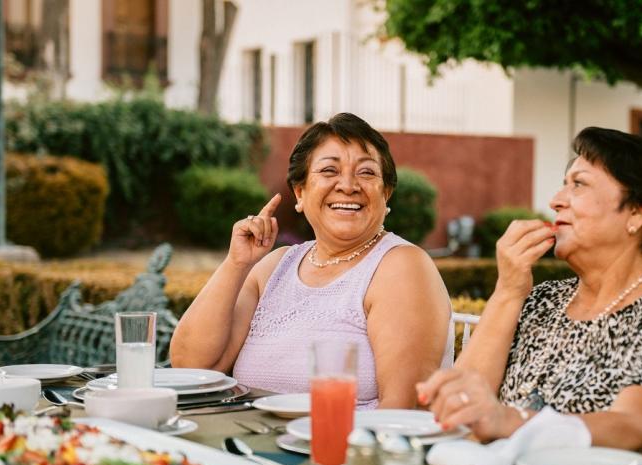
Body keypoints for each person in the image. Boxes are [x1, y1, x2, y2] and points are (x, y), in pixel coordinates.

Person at [417, 127, 642, 465]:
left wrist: (506, 420)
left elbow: (634, 428)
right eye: (564, 184)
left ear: (638, 212)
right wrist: (508, 290)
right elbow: (464, 407)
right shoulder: (544, 301)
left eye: (579, 184)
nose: (556, 200)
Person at [171, 112, 452, 409]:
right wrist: (236, 264)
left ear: (386, 194)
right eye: (329, 170)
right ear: (300, 192)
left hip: (343, 449)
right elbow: (192, 367)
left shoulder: (401, 267)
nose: (348, 185)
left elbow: (402, 408)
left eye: (366, 173)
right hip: (251, 443)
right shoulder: (274, 267)